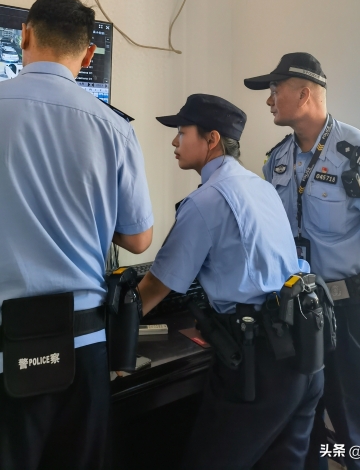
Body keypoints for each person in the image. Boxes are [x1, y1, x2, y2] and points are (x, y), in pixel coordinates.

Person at [0, 0, 154, 470]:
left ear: (24, 35)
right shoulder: (114, 127)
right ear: (88, 54)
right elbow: (139, 239)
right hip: (84, 350)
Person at [244, 52, 360, 470]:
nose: (268, 99)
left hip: (353, 315)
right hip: (300, 315)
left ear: (304, 94)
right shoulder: (277, 160)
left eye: (275, 90)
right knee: (303, 437)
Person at [138, 93, 324, 470]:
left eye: (182, 132)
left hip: (259, 363)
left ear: (212, 140)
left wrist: (102, 329)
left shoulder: (206, 201)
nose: (174, 141)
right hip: (304, 350)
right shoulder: (261, 187)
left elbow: (155, 288)